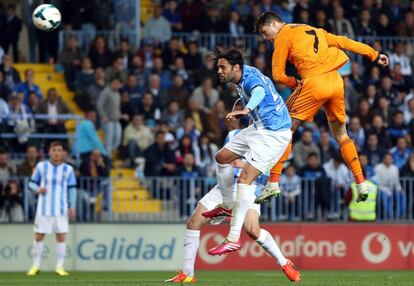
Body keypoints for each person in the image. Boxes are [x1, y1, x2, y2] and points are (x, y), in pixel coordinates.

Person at [254, 11, 389, 204]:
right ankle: (360, 182)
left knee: (283, 129)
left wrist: (295, 83)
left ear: (274, 24)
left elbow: (277, 75)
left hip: (314, 83)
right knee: (342, 135)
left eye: (264, 31)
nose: (264, 37)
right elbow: (345, 42)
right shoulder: (313, 30)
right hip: (336, 81)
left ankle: (273, 182)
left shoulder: (283, 36)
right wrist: (374, 55)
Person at [165, 133, 300, 283]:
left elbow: (272, 167)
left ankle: (283, 262)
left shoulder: (269, 137)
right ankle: (187, 274)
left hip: (250, 186)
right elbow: (224, 159)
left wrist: (245, 166)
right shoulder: (233, 134)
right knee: (193, 222)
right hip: (226, 186)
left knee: (252, 230)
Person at [201, 48, 292, 255]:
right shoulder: (245, 72)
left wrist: (246, 109)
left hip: (273, 134)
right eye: (218, 67)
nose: (219, 71)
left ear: (236, 67)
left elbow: (258, 91)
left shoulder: (249, 81)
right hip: (259, 128)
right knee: (221, 157)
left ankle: (232, 238)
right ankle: (226, 204)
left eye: (223, 67)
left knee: (244, 180)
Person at [26, 141, 77, 276]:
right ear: (50, 152)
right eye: (54, 150)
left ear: (62, 153)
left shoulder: (68, 169)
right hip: (44, 209)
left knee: (61, 237)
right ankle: (35, 266)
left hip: (61, 209)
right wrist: (38, 189)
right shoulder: (41, 167)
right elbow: (31, 184)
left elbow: (72, 189)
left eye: (59, 150)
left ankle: (59, 267)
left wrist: (73, 206)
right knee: (38, 236)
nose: (56, 153)